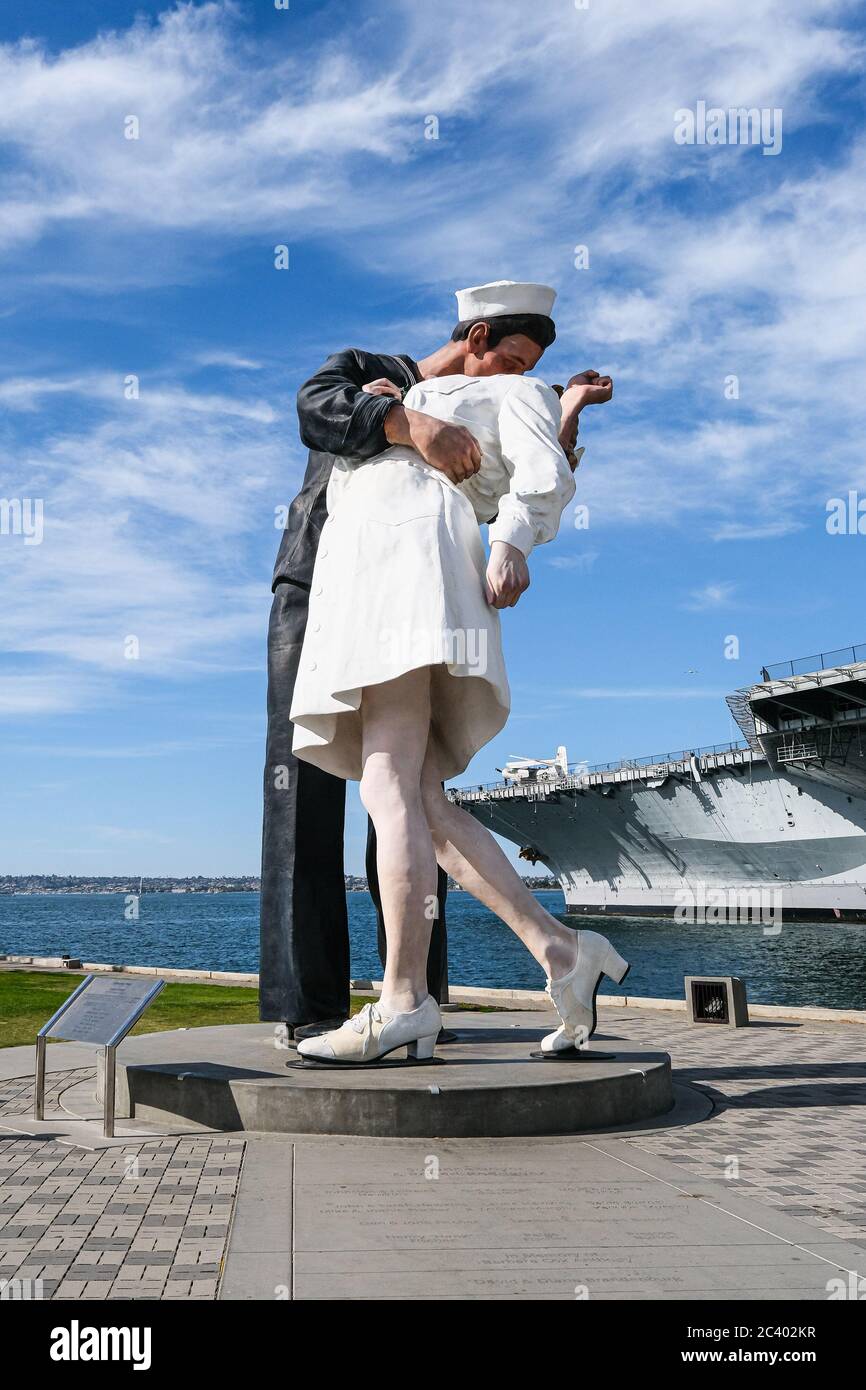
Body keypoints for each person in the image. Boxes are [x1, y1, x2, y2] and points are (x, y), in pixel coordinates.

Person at [290, 281, 627, 1064]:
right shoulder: (419, 391)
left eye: (529, 367)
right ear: (475, 335)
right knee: (414, 795)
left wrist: (512, 541)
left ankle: (404, 999)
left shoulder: (509, 390)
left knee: (386, 782)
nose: (517, 374)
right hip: (371, 566)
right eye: (510, 356)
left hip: (406, 564)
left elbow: (540, 474)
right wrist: (398, 410)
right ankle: (560, 950)